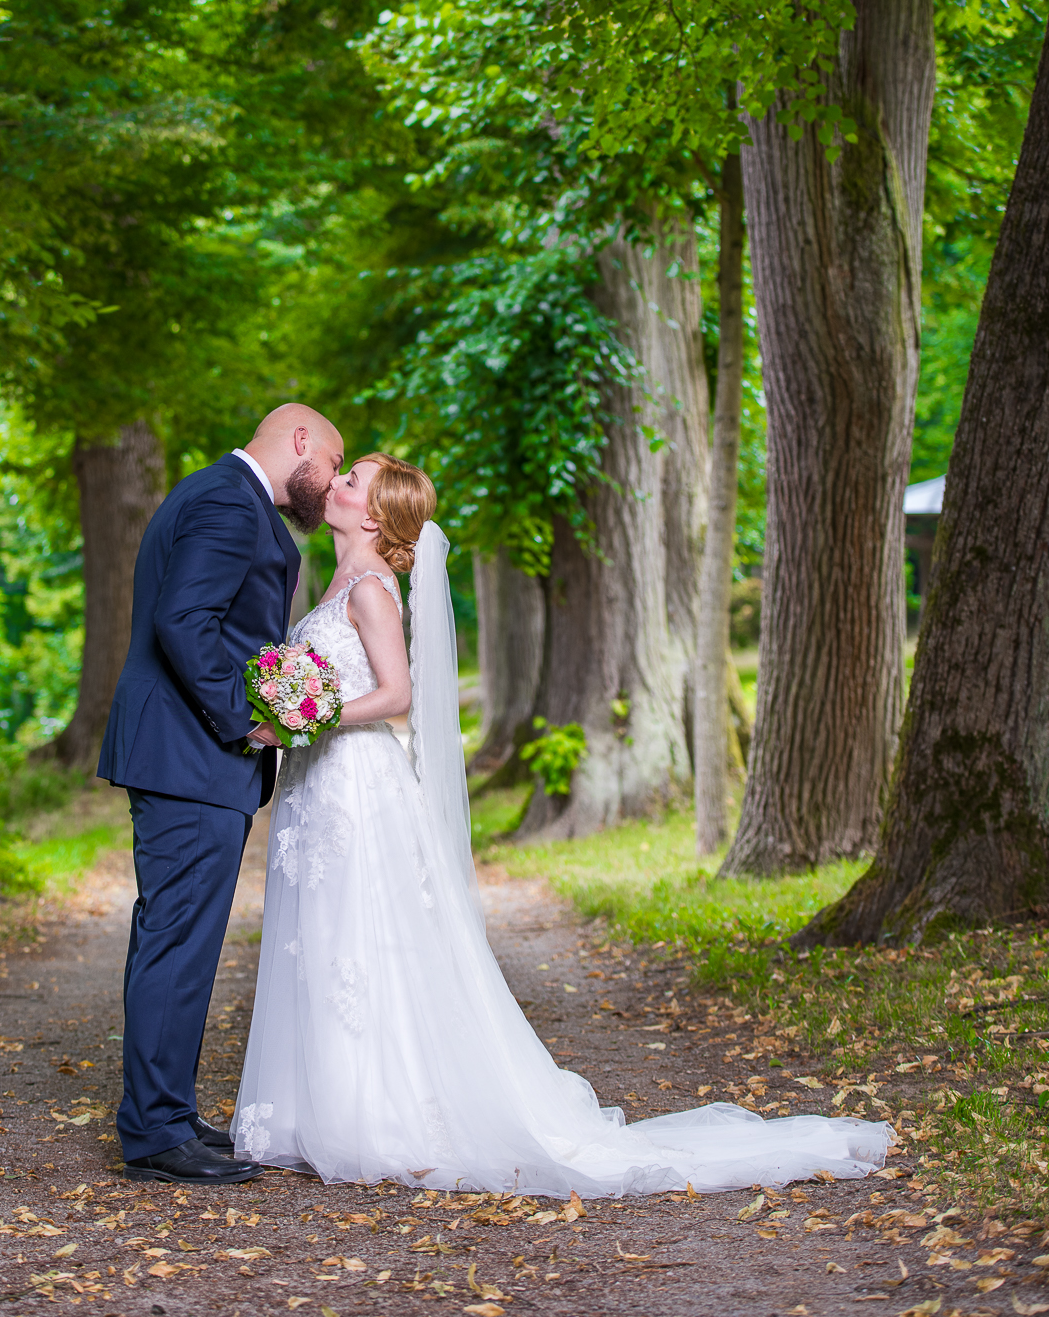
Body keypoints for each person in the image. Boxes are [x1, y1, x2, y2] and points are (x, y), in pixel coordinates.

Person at [235, 454, 892, 1196]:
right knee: (321, 935)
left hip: (357, 784)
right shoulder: (334, 580)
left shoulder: (372, 591)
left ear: (377, 516)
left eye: (353, 480)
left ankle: (375, 1113)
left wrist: (307, 717)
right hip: (323, 786)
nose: (338, 485)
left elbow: (396, 697)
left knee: (358, 935)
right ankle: (318, 1106)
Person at [98, 402, 344, 1184]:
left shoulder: (220, 497)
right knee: (176, 939)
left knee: (180, 940)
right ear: (299, 441)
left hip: (191, 759)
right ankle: (154, 1133)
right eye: (332, 464)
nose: (331, 482)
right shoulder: (225, 500)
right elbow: (184, 622)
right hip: (188, 756)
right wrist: (248, 720)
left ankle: (164, 1112)